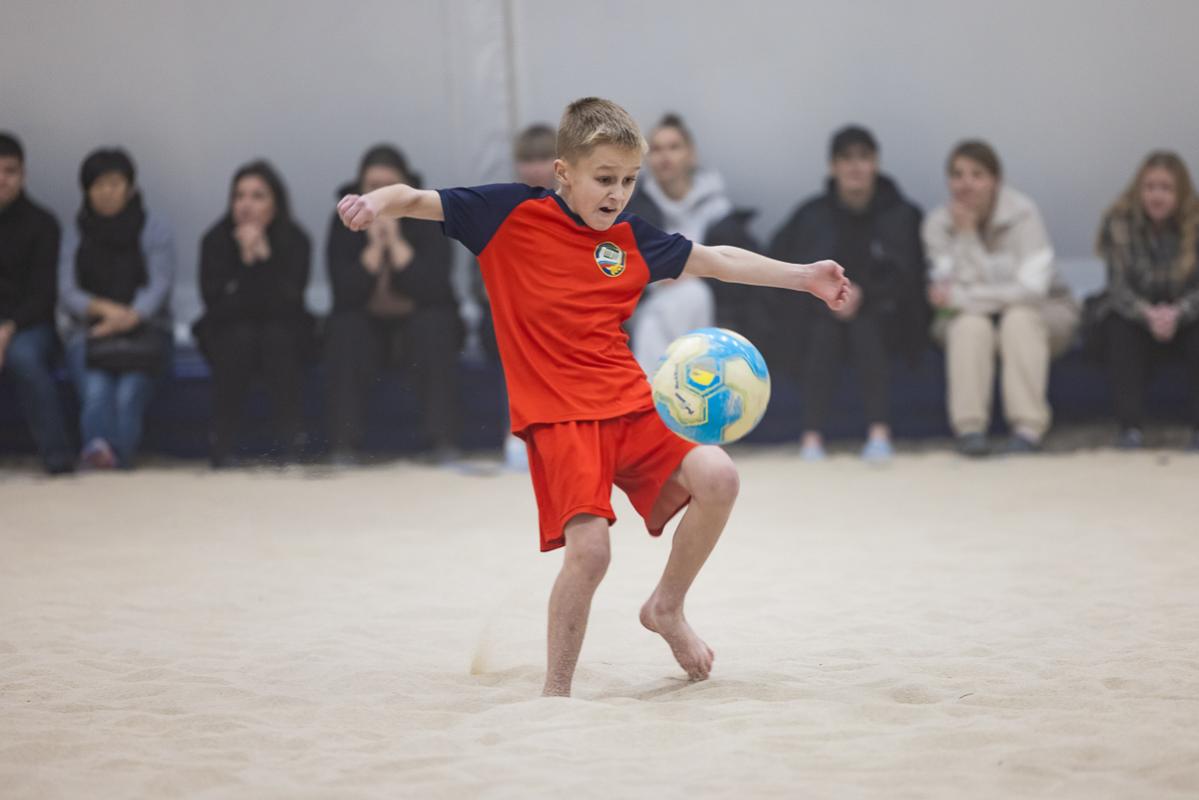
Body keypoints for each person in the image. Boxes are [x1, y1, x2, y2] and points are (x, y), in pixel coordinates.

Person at [336, 97, 849, 697]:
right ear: (564, 172)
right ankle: (556, 695)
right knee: (592, 553)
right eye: (605, 179)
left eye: (629, 180)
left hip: (631, 402)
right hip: (559, 417)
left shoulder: (632, 237)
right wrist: (375, 202)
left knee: (720, 477)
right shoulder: (506, 212)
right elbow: (414, 198)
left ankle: (666, 607)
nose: (618, 194)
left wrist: (804, 277)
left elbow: (718, 261)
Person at [770, 125, 926, 462]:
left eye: (863, 158)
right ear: (833, 166)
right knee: (825, 331)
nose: (855, 167)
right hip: (819, 314)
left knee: (865, 326)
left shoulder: (901, 214)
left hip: (885, 317)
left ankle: (879, 433)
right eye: (846, 158)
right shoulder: (811, 215)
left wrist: (865, 296)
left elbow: (911, 276)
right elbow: (785, 267)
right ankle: (811, 436)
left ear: (875, 163)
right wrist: (829, 299)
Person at [924, 140, 1078, 457]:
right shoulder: (937, 225)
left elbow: (1032, 291)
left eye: (977, 174)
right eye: (957, 175)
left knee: (1018, 320)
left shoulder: (1024, 214)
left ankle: (1027, 429)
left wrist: (968, 295)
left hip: (1044, 310)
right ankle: (969, 430)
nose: (966, 184)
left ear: (995, 180)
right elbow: (949, 294)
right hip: (970, 316)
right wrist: (966, 235)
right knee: (969, 325)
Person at [325, 145, 463, 463]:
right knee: (344, 330)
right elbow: (344, 293)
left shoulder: (430, 216)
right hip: (367, 323)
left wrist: (397, 244)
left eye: (389, 186)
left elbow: (435, 289)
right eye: (373, 186)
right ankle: (343, 444)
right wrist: (374, 251)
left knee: (435, 326)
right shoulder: (343, 219)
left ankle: (443, 441)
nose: (381, 194)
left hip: (417, 321)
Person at [58, 148, 175, 470]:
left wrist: (128, 318)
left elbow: (159, 286)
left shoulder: (155, 228)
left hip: (146, 332)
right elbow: (68, 291)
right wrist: (109, 313)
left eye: (114, 183)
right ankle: (102, 458)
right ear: (86, 191)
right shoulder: (76, 232)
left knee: (128, 393)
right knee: (97, 391)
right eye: (98, 185)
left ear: (130, 187)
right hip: (89, 331)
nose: (107, 192)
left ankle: (113, 461)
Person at [194, 161, 313, 468]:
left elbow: (289, 304)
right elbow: (217, 306)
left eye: (257, 196)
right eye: (239, 196)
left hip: (282, 329)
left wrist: (265, 261)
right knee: (240, 338)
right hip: (228, 330)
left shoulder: (296, 240)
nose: (246, 205)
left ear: (276, 203)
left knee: (277, 338)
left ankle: (292, 442)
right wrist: (247, 265)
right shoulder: (215, 240)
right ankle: (222, 443)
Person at [624, 113, 760, 373]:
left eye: (674, 147)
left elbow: (739, 281)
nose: (665, 156)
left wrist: (698, 274)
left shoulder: (719, 212)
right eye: (656, 149)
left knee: (693, 294)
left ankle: (658, 387)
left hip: (709, 307)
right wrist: (656, 277)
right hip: (649, 307)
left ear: (691, 154)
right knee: (665, 312)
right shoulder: (633, 211)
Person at [1093, 151, 1199, 450]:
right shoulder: (1118, 221)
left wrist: (1179, 313)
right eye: (1150, 187)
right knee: (1118, 327)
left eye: (1166, 188)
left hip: (1187, 313)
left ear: (1181, 192)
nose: (1156, 196)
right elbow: (1118, 288)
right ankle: (1130, 429)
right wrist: (1148, 314)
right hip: (1136, 314)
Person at [0, 132, 74, 474]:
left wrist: (7, 329)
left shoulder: (42, 224)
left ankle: (57, 457)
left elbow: (44, 295)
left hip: (30, 326)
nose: (2, 179)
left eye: (10, 171)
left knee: (24, 358)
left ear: (23, 175)